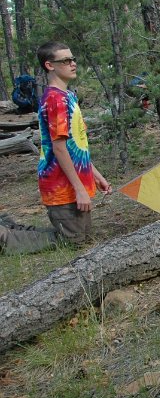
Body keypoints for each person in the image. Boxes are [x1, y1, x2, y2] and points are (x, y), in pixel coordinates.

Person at [35, 41, 112, 246]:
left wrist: (96, 176)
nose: (73, 64)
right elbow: (59, 148)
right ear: (50, 65)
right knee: (73, 242)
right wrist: (79, 189)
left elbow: (77, 146)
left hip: (75, 185)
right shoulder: (55, 100)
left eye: (73, 59)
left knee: (83, 237)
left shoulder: (68, 96)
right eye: (66, 60)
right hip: (61, 187)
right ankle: (6, 236)